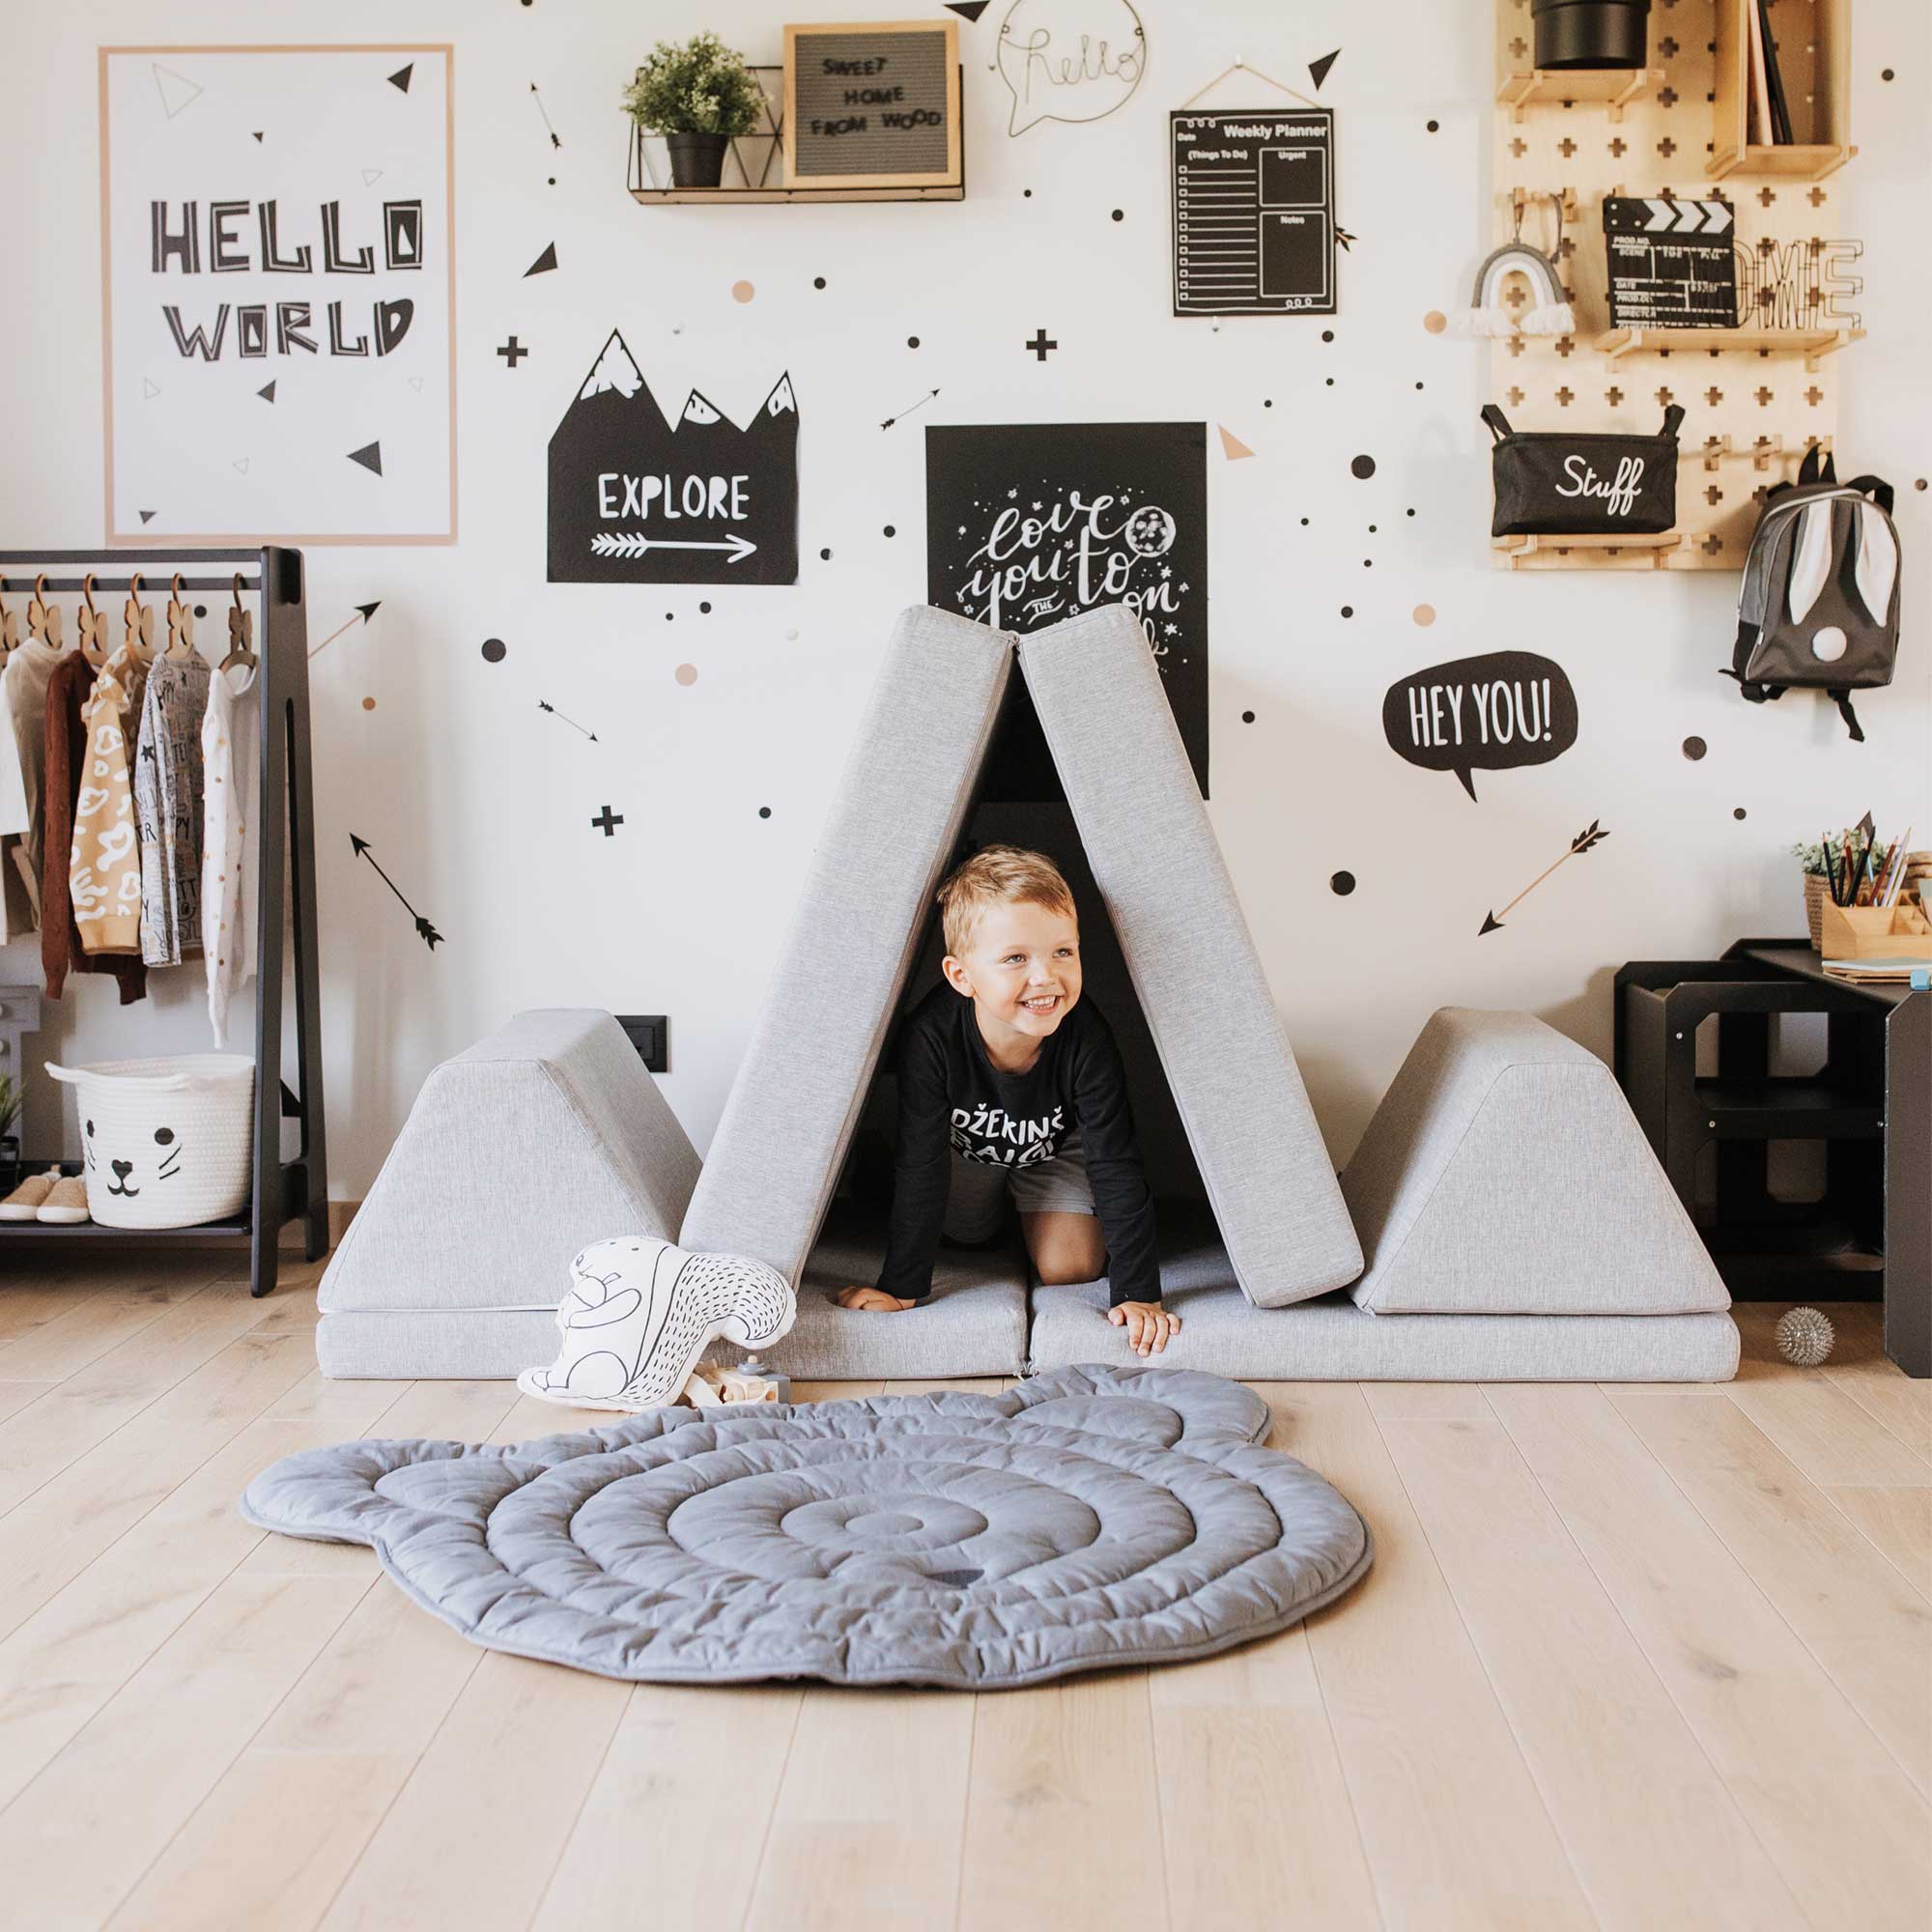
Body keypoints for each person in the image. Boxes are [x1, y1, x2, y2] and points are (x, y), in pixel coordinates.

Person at [836, 843, 1180, 1357]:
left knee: (1071, 1268)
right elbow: (922, 1163)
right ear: (962, 977)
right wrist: (900, 1287)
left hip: (1053, 1145)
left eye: (1063, 951)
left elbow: (1115, 1162)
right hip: (965, 1149)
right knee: (965, 1238)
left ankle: (1035, 1211)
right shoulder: (931, 1036)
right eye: (1015, 958)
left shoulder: (1087, 1036)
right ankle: (998, 1209)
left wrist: (1139, 1294)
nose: (1045, 976)